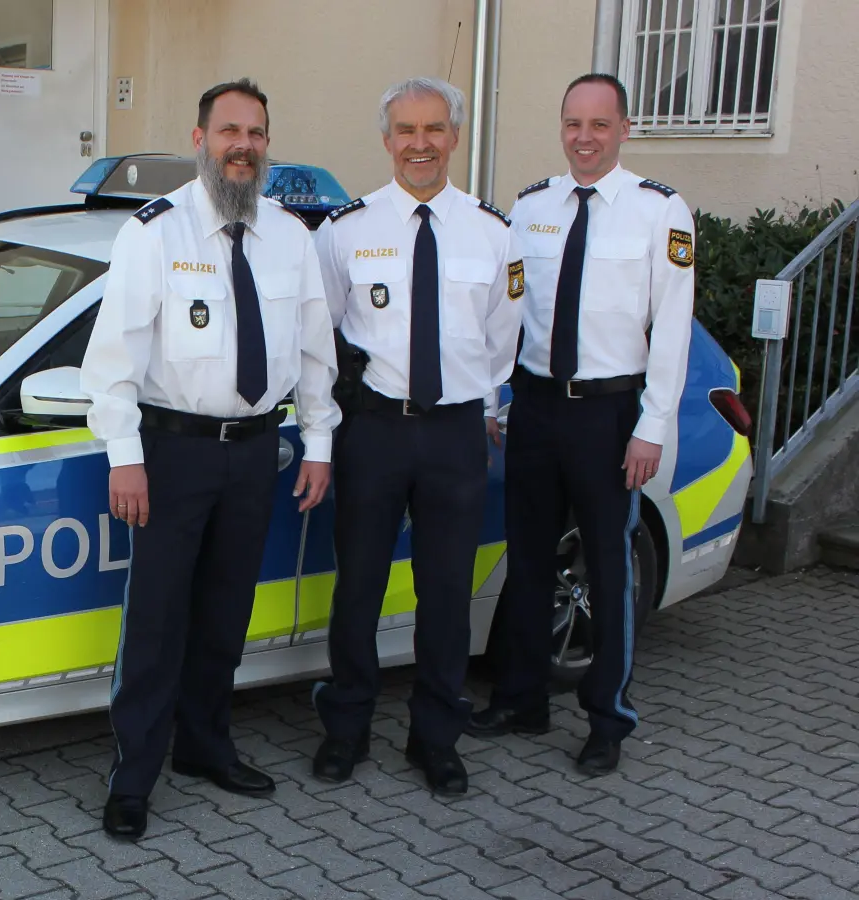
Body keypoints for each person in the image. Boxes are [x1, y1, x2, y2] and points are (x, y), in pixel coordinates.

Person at [79, 78, 339, 839]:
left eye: (256, 133)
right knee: (157, 620)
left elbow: (316, 355)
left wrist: (317, 443)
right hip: (172, 454)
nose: (243, 146)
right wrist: (124, 456)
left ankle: (204, 745)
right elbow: (113, 357)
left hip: (258, 452)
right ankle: (134, 774)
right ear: (200, 140)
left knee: (227, 612)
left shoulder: (292, 237)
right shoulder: (154, 234)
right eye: (229, 131)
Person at [467, 73, 695, 777]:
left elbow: (673, 329)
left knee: (607, 565)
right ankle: (522, 697)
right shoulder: (532, 208)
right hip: (534, 407)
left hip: (609, 412)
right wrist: (493, 399)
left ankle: (607, 719)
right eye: (573, 124)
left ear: (625, 129)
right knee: (529, 559)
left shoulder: (661, 212)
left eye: (599, 124)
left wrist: (652, 426)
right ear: (561, 127)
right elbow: (509, 316)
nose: (584, 138)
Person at [308, 76, 522, 797]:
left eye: (434, 130)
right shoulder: (345, 231)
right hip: (373, 432)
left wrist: (474, 399)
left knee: (445, 595)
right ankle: (346, 729)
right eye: (406, 130)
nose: (420, 144)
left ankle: (436, 737)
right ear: (387, 139)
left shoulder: (494, 234)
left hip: (457, 432)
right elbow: (325, 335)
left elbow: (501, 341)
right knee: (359, 588)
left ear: (454, 136)